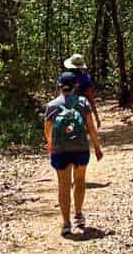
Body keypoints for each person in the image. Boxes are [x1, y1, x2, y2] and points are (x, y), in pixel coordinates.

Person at [44, 70, 103, 237]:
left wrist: (51, 145)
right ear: (76, 85)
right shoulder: (82, 102)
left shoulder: (52, 106)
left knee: (63, 185)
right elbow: (91, 128)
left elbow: (47, 130)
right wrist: (97, 148)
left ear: (59, 86)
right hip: (80, 148)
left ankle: (66, 223)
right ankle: (78, 214)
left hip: (60, 150)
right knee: (79, 181)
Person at [63, 52, 101, 125]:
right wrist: (97, 118)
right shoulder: (85, 77)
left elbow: (59, 93)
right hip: (82, 105)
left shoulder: (64, 76)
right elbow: (91, 98)